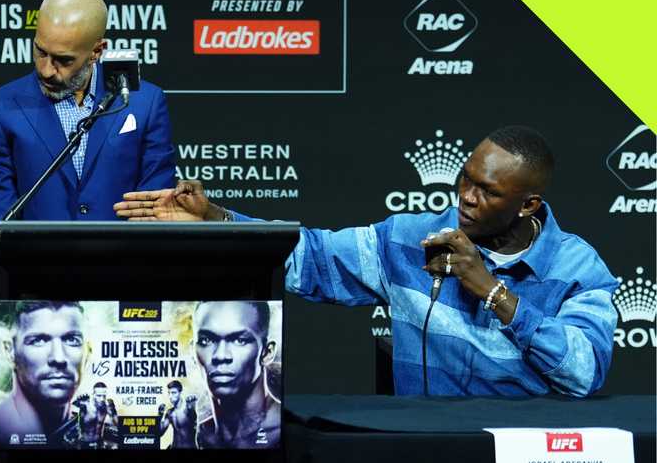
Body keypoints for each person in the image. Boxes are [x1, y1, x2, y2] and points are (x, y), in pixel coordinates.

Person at [114, 126, 619, 397]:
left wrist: (493, 292)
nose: (465, 197)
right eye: (465, 179)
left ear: (528, 205)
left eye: (486, 192)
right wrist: (218, 219)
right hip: (425, 452)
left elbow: (582, 373)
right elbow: (309, 257)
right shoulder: (413, 238)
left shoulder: (577, 268)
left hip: (526, 456)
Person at [0, 0, 176, 239]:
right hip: (36, 271)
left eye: (63, 60)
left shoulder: (144, 104)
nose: (45, 69)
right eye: (40, 51)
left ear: (96, 51)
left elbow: (155, 208)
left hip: (123, 268)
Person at [192, 302, 281, 448]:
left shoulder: (281, 432)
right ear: (193, 351)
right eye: (206, 340)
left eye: (240, 340)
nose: (220, 356)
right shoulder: (203, 434)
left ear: (267, 353)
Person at [0, 301, 87, 446]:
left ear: (87, 353)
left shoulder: (91, 430)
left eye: (72, 340)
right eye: (38, 340)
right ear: (10, 351)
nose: (58, 358)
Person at [157, 380, 199, 449]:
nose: (170, 396)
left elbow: (193, 418)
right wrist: (160, 415)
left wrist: (192, 407)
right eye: (169, 393)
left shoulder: (188, 408)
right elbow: (160, 433)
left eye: (174, 393)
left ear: (180, 393)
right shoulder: (170, 412)